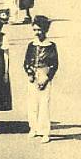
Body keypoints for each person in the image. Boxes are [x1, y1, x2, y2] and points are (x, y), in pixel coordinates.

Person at [23, 15, 59, 144]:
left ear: (45, 30)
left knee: (44, 104)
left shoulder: (50, 46)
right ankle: (33, 127)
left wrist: (46, 79)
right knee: (32, 103)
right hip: (33, 74)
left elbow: (55, 65)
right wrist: (30, 73)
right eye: (35, 30)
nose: (37, 33)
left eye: (39, 30)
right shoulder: (31, 45)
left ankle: (45, 131)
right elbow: (26, 62)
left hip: (44, 74)